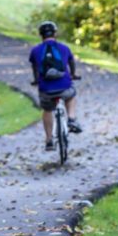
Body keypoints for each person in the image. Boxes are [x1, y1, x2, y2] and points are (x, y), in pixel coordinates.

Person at [29, 21, 82, 151]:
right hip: (64, 86)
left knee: (47, 110)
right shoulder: (64, 48)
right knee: (71, 95)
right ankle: (71, 119)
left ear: (41, 35)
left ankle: (49, 140)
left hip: (46, 90)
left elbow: (35, 68)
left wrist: (36, 80)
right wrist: (73, 75)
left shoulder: (35, 51)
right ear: (55, 33)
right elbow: (71, 62)